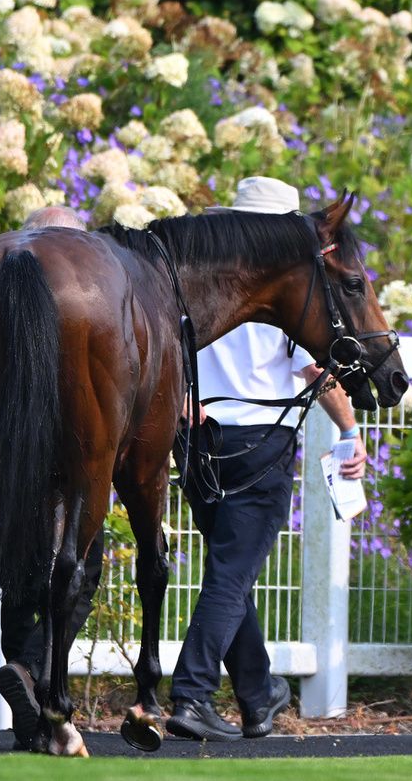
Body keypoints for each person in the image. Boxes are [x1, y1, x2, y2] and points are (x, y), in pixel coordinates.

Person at [164, 177, 368, 741]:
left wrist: (182, 403)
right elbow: (316, 371)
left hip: (199, 441)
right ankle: (192, 694)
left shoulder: (197, 280)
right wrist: (351, 432)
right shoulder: (286, 285)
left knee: (231, 571)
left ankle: (258, 694)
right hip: (262, 446)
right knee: (231, 576)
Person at [0, 205, 100, 751]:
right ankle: (31, 670)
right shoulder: (87, 306)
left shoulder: (1, 298)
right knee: (79, 575)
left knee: (20, 576)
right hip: (69, 475)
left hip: (15, 475)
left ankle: (24, 692)